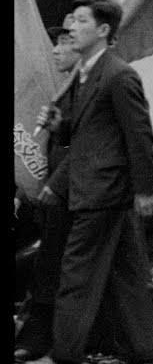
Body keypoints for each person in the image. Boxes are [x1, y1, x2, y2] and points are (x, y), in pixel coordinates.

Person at [42, 0, 153, 364]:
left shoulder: (119, 75)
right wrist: (61, 126)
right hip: (100, 191)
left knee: (76, 275)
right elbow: (90, 135)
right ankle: (145, 350)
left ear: (103, 30)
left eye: (81, 21)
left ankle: (65, 353)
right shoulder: (87, 73)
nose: (72, 27)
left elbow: (139, 136)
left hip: (102, 193)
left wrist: (145, 190)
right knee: (127, 275)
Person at [14, 21, 79, 362]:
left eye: (65, 42)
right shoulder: (61, 89)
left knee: (60, 266)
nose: (55, 50)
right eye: (55, 42)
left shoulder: (85, 87)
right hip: (55, 193)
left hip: (74, 193)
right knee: (50, 264)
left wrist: (55, 184)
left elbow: (82, 144)